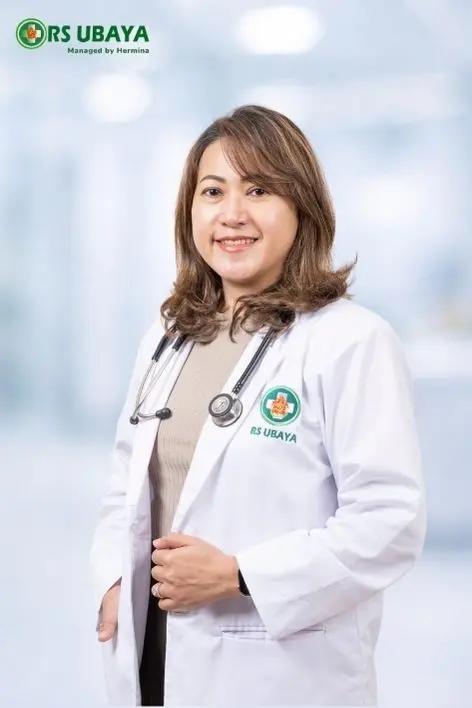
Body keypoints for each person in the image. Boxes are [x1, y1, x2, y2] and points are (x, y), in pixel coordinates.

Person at [90, 104, 426, 707]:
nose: (232, 214)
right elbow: (127, 483)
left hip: (276, 670)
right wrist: (116, 577)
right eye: (213, 191)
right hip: (155, 654)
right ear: (190, 211)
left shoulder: (350, 341)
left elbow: (389, 520)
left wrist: (240, 575)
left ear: (302, 207)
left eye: (259, 190)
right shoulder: (168, 338)